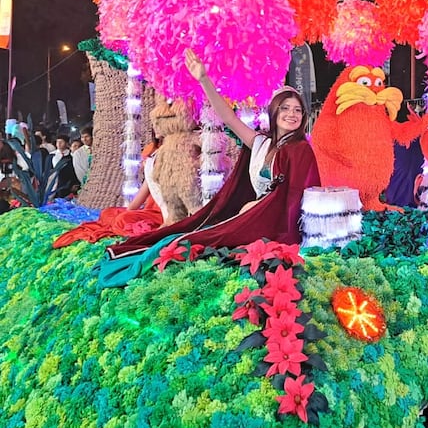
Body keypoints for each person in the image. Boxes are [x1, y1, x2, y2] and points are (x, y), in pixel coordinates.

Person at [100, 49, 321, 287]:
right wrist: (204, 79)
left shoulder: (301, 150)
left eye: (298, 110)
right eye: (286, 108)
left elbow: (297, 198)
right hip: (253, 214)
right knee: (185, 235)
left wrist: (260, 208)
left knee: (202, 241)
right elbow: (228, 118)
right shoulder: (261, 143)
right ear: (275, 111)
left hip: (277, 226)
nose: (292, 114)